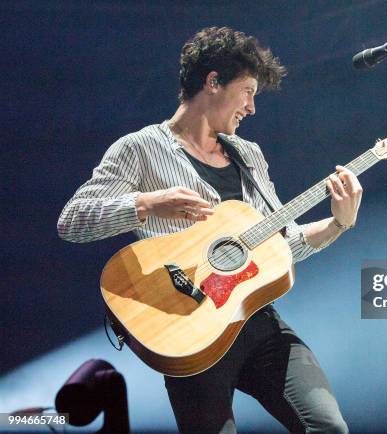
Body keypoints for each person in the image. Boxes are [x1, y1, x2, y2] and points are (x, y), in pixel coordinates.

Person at [58, 26, 360, 433]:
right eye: (248, 91)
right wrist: (147, 203)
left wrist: (339, 222)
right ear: (213, 82)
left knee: (329, 427)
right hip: (188, 332)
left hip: (256, 321)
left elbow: (281, 245)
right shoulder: (140, 148)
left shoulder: (249, 155)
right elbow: (72, 221)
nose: (252, 108)